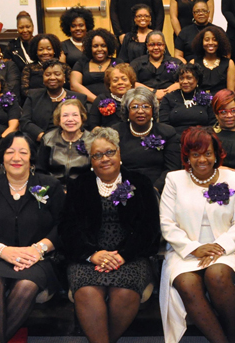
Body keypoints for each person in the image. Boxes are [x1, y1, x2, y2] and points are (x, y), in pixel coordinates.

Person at [159, 127, 235, 343]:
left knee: (216, 275)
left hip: (226, 248)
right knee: (187, 283)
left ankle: (233, 334)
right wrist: (194, 248)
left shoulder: (234, 179)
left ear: (217, 154)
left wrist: (219, 247)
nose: (202, 159)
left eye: (208, 153)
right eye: (195, 154)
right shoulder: (174, 180)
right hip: (185, 250)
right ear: (187, 156)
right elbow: (167, 223)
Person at [61, 127, 160, 343]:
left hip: (131, 257)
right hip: (88, 259)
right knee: (87, 291)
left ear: (119, 152)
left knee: (124, 292)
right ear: (91, 159)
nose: (104, 159)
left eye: (109, 152)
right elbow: (68, 230)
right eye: (97, 155)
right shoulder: (79, 185)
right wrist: (92, 255)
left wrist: (122, 255)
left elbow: (149, 229)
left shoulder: (140, 183)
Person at [0, 132, 65, 343]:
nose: (16, 157)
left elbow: (63, 227)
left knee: (26, 285)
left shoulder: (50, 185)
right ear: (2, 156)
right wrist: (3, 250)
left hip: (38, 258)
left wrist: (38, 249)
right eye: (10, 152)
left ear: (31, 157)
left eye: (23, 152)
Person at [116, 88, 181, 191]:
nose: (140, 111)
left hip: (159, 188)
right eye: (134, 107)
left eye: (146, 106)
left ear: (153, 110)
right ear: (127, 111)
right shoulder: (116, 133)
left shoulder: (167, 133)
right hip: (125, 188)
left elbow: (172, 168)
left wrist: (154, 190)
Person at [20, 60, 86, 143]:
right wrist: (44, 138)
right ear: (43, 78)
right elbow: (25, 122)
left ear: (64, 77)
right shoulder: (34, 96)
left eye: (57, 74)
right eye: (48, 75)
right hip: (39, 142)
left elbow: (84, 124)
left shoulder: (79, 98)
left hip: (71, 141)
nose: (52, 78)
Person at [36, 99, 91, 185]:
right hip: (53, 188)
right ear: (59, 119)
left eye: (75, 115)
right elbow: (40, 171)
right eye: (65, 115)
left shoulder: (91, 140)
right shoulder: (48, 139)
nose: (70, 119)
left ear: (82, 117)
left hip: (83, 189)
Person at [159, 63, 217, 135]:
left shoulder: (207, 97)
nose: (185, 82)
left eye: (189, 78)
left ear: (197, 79)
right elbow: (164, 125)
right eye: (181, 78)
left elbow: (213, 124)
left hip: (201, 138)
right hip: (175, 138)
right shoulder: (169, 98)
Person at [71, 28, 120, 103]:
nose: (99, 49)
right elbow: (74, 85)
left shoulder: (117, 63)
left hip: (114, 104)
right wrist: (98, 101)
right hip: (87, 104)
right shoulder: (82, 63)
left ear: (109, 47)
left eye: (103, 45)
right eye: (95, 46)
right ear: (90, 48)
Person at [131, 30, 182, 100]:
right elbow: (132, 83)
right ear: (147, 46)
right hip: (143, 99)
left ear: (164, 45)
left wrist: (164, 93)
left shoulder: (176, 63)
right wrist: (154, 92)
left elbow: (182, 81)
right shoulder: (136, 63)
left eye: (159, 44)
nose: (156, 48)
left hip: (172, 99)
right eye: (152, 45)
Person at [189, 25, 235, 95]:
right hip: (198, 100)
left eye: (215, 40)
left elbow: (231, 93)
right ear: (201, 42)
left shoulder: (229, 63)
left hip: (222, 100)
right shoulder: (193, 63)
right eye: (207, 40)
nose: (211, 43)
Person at [87, 63, 135, 130]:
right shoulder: (101, 99)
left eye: (124, 79)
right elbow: (92, 125)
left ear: (131, 83)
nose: (120, 82)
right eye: (115, 80)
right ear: (109, 85)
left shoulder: (138, 99)